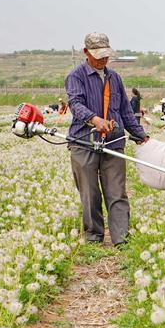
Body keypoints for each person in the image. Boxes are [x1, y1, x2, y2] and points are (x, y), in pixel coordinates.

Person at [65, 32, 149, 246]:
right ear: (86, 52)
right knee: (90, 193)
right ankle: (94, 237)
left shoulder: (114, 78)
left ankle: (121, 238)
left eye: (106, 55)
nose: (103, 59)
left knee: (116, 191)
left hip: (113, 141)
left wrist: (140, 135)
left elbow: (125, 111)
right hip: (84, 141)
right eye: (98, 55)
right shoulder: (76, 76)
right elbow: (75, 104)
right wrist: (94, 119)